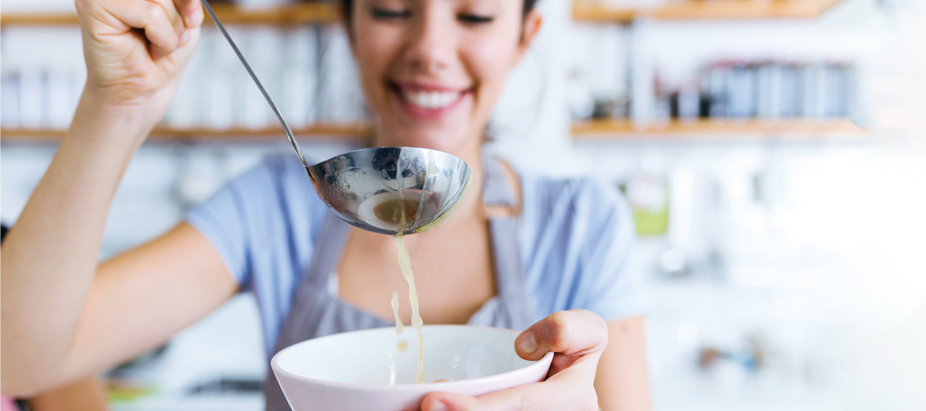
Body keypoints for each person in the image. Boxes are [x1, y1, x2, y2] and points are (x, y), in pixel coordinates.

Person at [0, 0, 651, 409]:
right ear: (349, 23)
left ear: (525, 35)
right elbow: (17, 357)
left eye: (475, 14)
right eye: (394, 9)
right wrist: (118, 104)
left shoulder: (584, 225)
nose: (429, 48)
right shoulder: (274, 205)